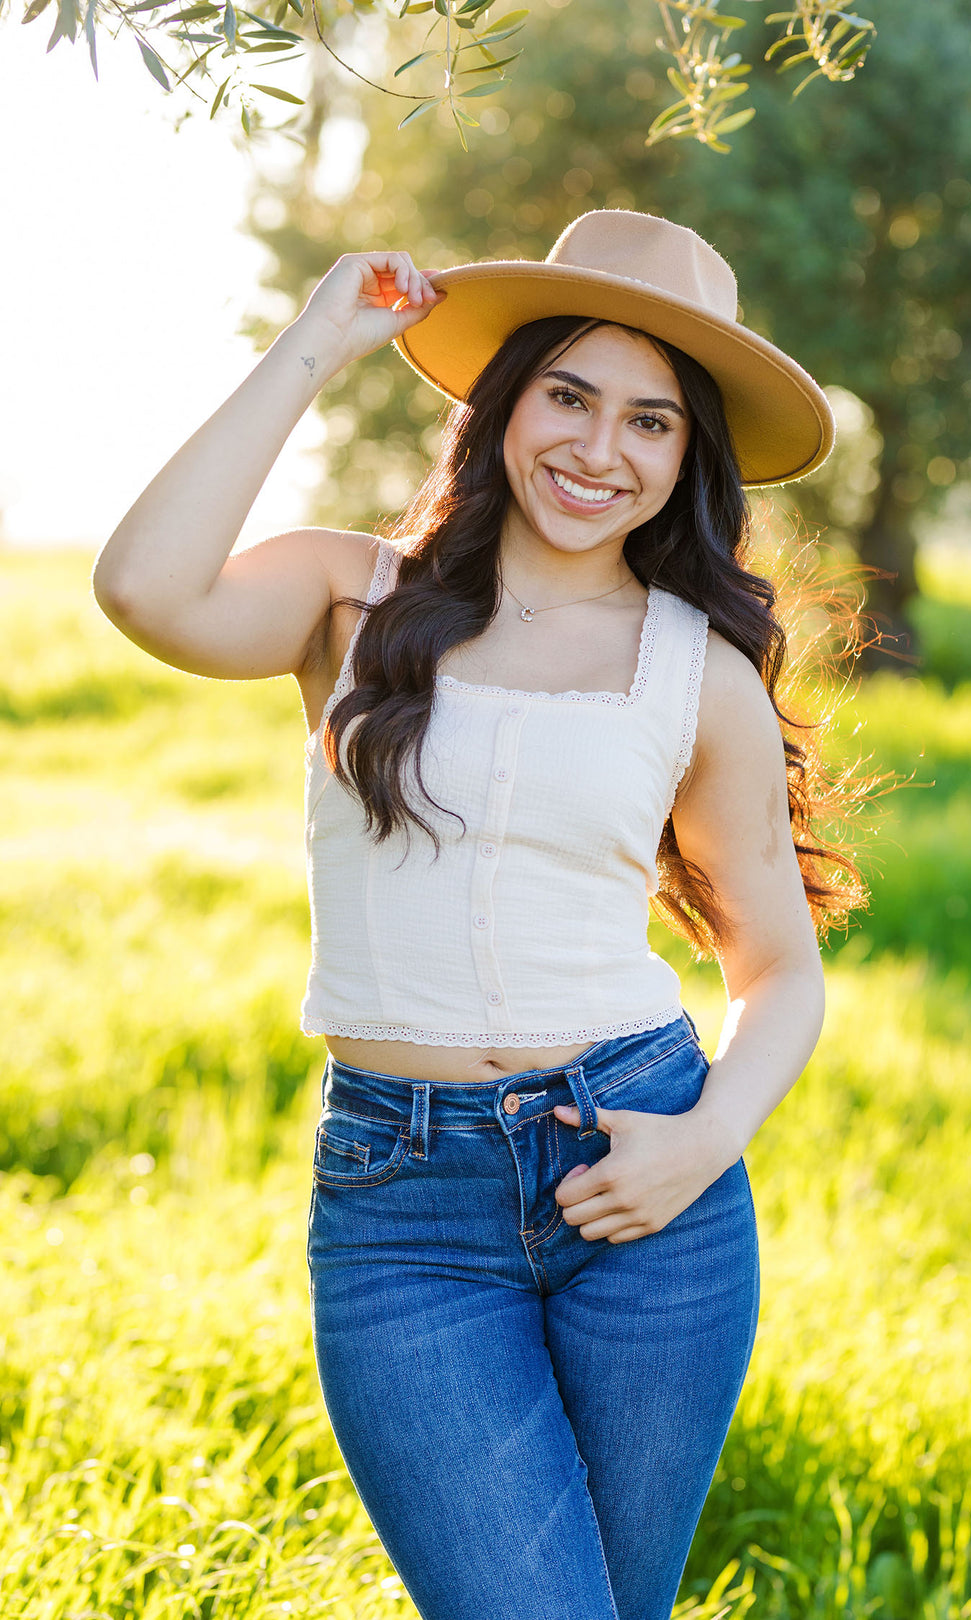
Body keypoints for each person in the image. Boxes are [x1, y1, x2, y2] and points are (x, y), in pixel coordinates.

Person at [92, 208, 860, 1620]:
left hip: (641, 1178)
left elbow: (777, 968)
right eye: (567, 394)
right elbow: (144, 587)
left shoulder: (702, 674)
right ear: (506, 403)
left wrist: (706, 1140)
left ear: (689, 460)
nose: (597, 449)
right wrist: (321, 339)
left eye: (650, 423)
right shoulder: (349, 598)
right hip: (404, 1213)